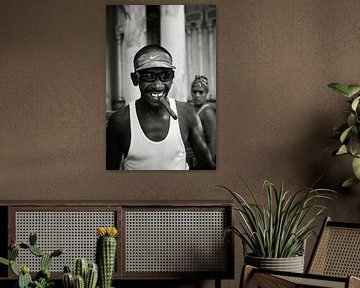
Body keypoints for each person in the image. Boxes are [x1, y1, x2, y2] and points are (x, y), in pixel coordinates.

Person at [106, 44, 215, 170]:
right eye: (149, 76)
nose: (158, 86)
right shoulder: (120, 122)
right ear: (135, 79)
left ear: (172, 78)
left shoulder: (187, 114)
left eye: (165, 76)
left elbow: (207, 166)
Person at [191, 75, 216, 161]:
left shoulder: (207, 112)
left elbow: (212, 141)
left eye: (201, 92)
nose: (197, 95)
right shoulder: (191, 108)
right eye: (194, 92)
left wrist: (209, 164)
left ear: (206, 93)